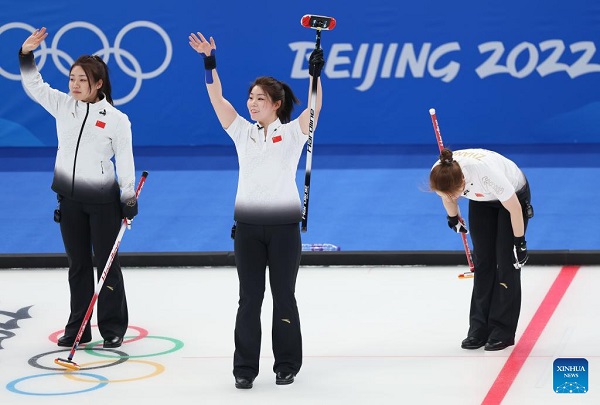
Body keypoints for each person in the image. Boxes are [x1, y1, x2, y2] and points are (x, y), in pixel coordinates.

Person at [188, 30, 324, 388]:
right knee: (248, 300)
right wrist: (209, 61)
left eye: (259, 99)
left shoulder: (294, 134)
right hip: (247, 229)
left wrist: (315, 76)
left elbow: (315, 107)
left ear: (276, 104)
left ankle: (287, 365)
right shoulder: (241, 132)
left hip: (283, 230)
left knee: (284, 298)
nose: (252, 103)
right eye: (250, 98)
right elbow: (216, 96)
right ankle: (245, 369)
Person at [19, 27, 138, 349]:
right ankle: (79, 327)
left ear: (98, 84)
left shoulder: (116, 119)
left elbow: (125, 162)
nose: (74, 84)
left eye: (82, 80)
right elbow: (33, 84)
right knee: (78, 266)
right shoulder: (62, 105)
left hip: (103, 203)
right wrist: (26, 55)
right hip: (69, 200)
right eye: (72, 78)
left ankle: (113, 327)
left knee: (107, 266)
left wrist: (129, 197)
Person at [429, 148, 533, 351]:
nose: (450, 196)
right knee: (483, 262)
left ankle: (502, 329)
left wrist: (520, 242)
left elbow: (514, 209)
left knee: (506, 262)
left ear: (462, 182)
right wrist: (453, 217)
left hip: (512, 199)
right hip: (481, 199)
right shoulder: (440, 172)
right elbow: (447, 196)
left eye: (454, 192)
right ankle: (479, 327)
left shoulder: (486, 174)